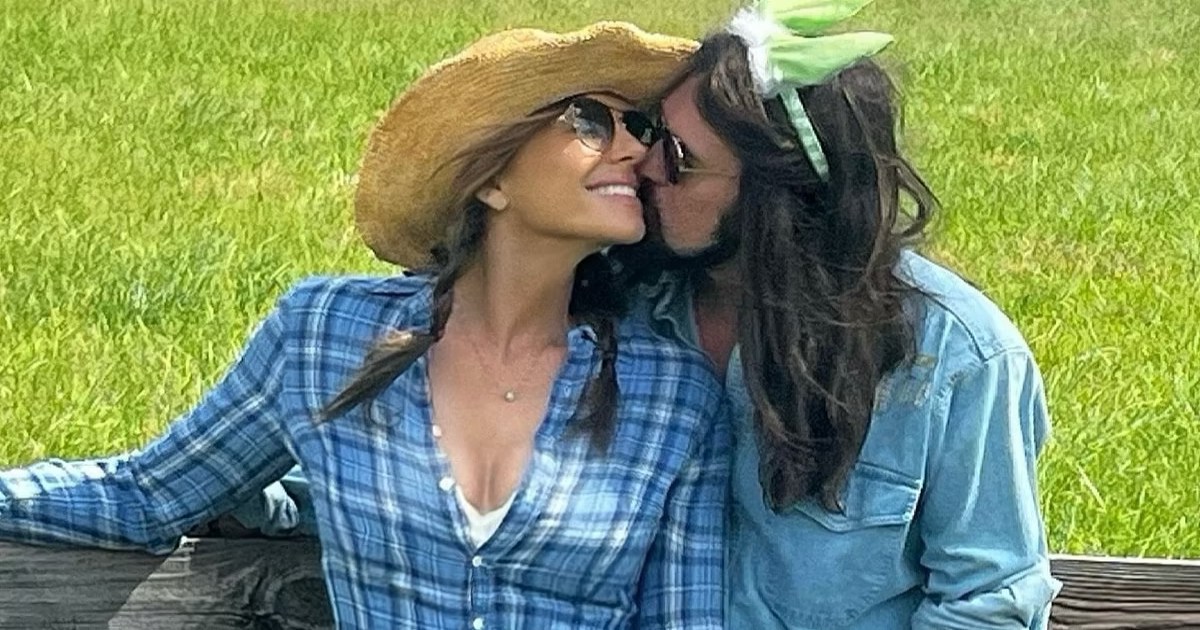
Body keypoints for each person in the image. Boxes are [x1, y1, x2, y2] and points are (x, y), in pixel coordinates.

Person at [0, 22, 730, 630]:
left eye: (638, 126)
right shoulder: (323, 336)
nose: (635, 149)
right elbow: (146, 496)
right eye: (590, 121)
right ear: (490, 179)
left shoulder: (674, 396)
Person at [613, 0, 1062, 628]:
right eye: (651, 133)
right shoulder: (620, 307)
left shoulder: (954, 357)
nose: (645, 167)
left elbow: (987, 601)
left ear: (778, 192)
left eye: (680, 158)